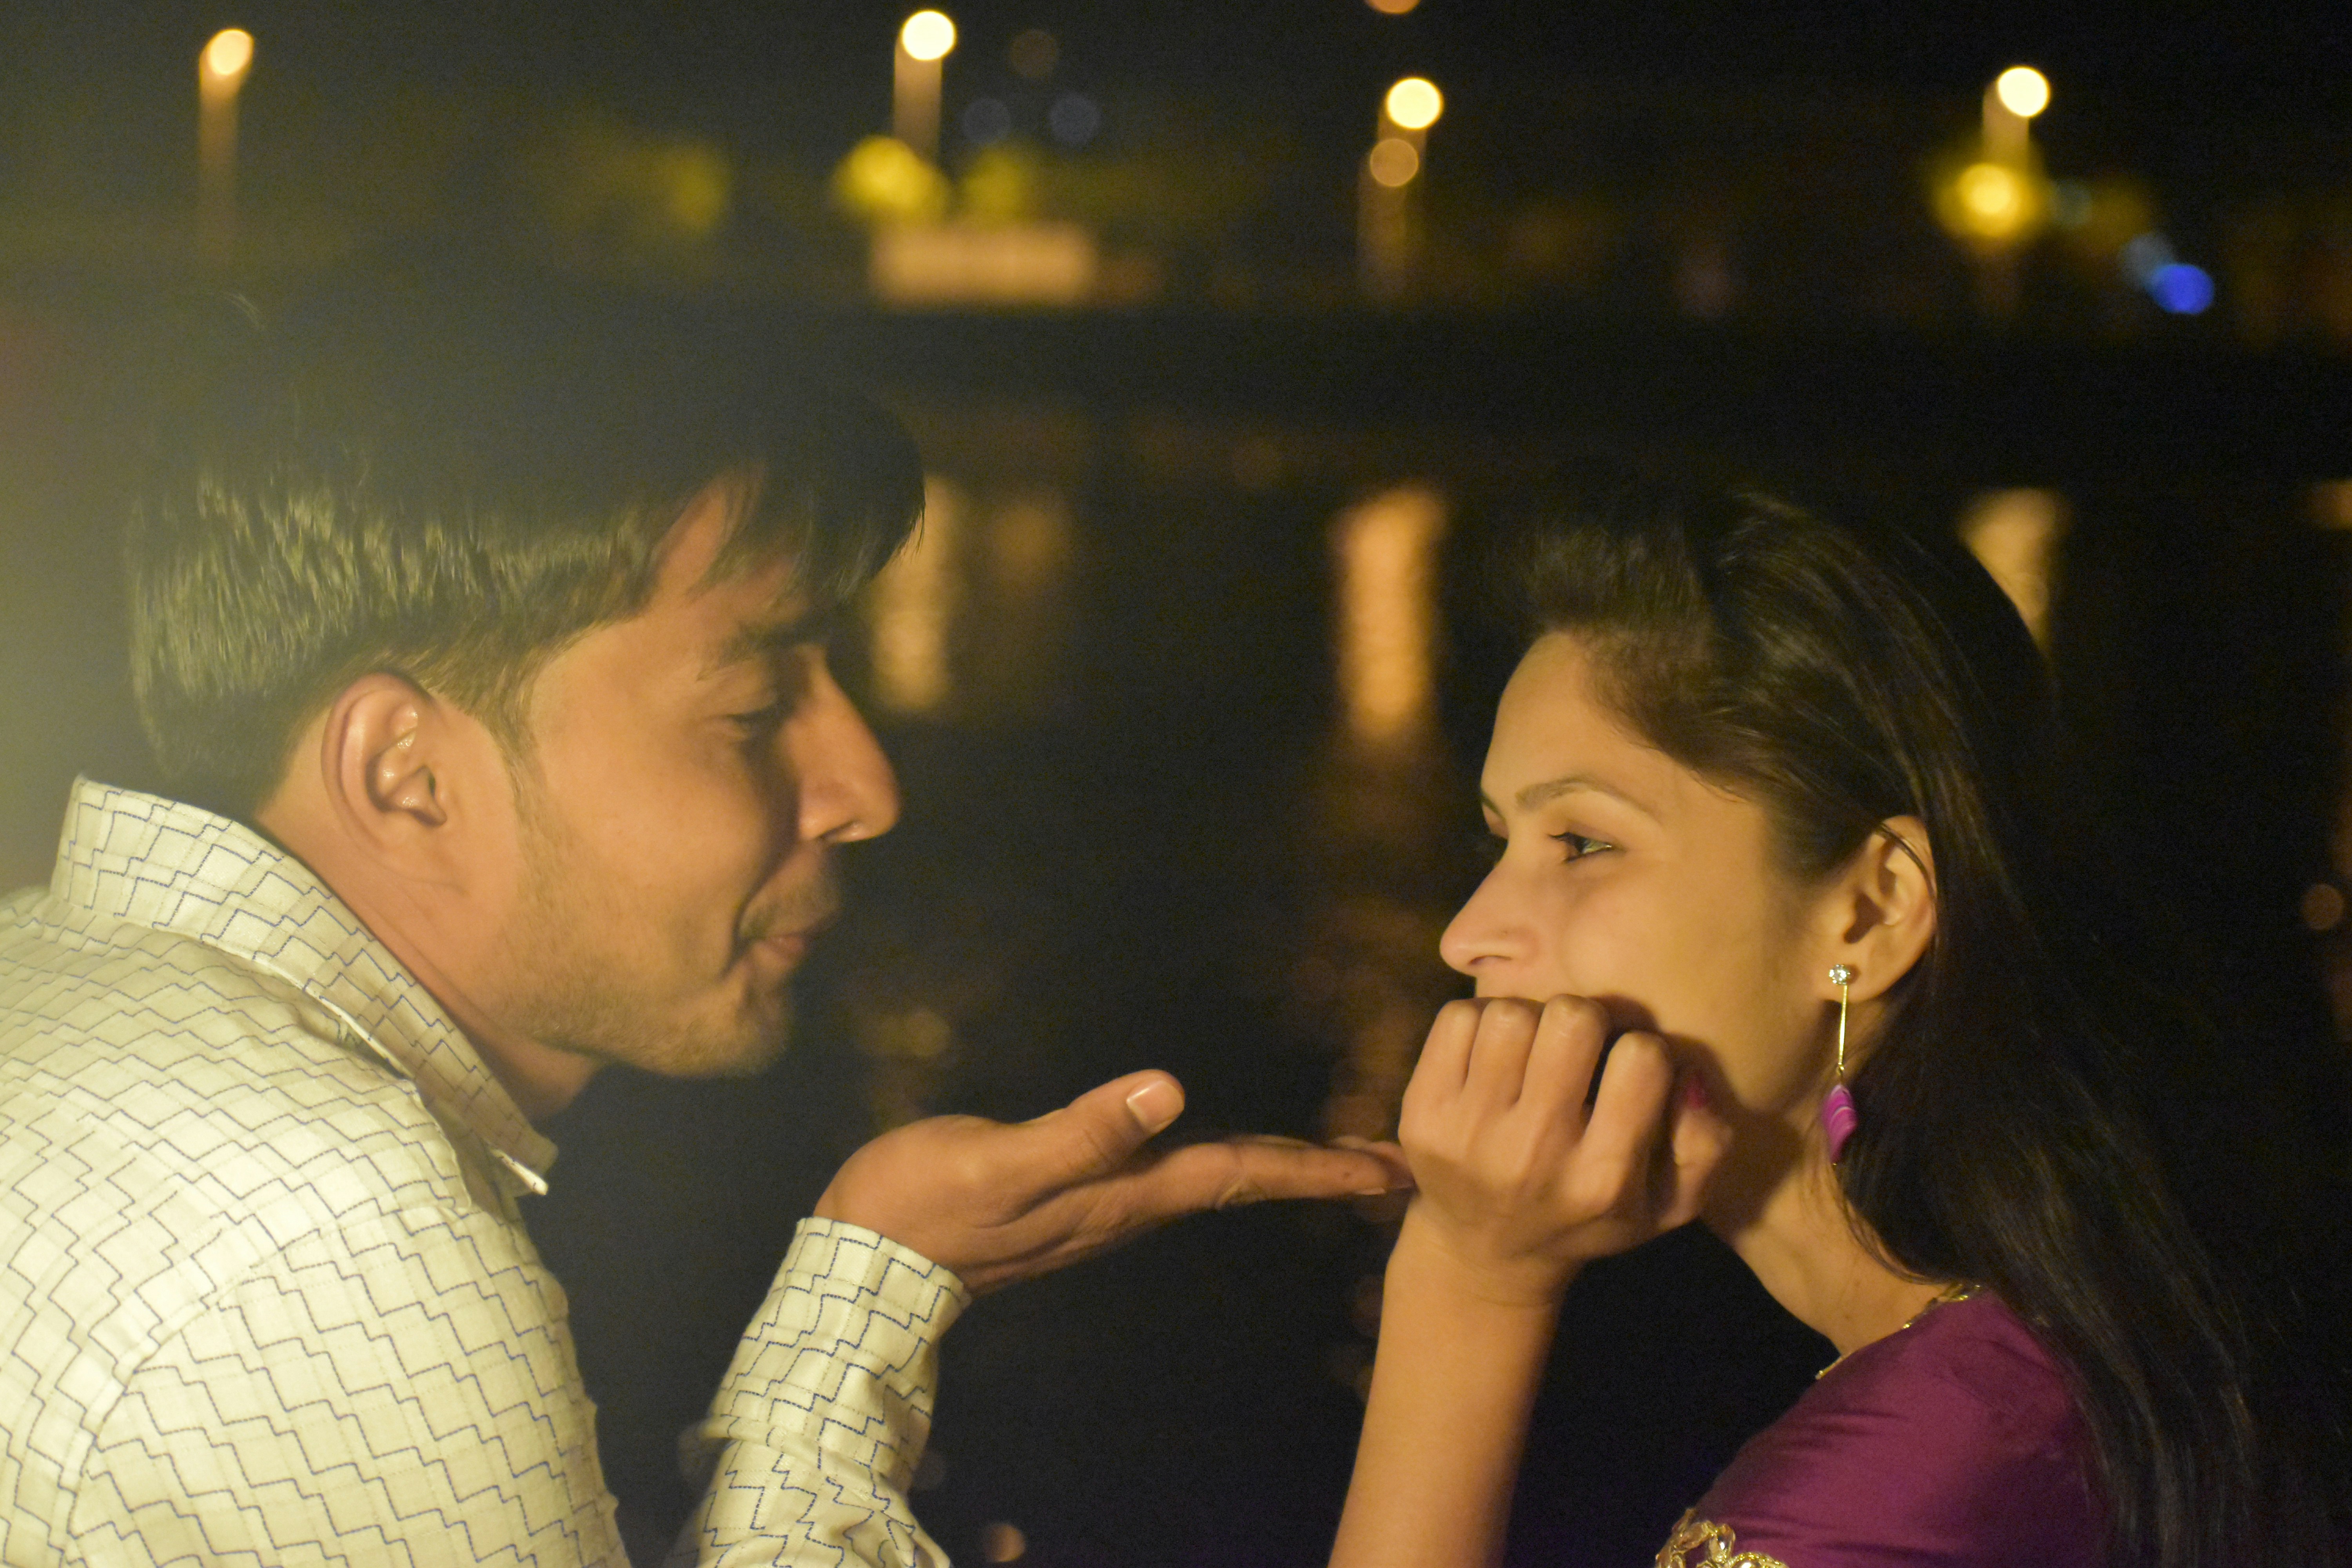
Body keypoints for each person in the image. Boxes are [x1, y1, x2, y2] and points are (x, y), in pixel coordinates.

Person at [0, 288, 1406, 1566]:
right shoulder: (331, 1241)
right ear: (406, 775)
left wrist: (880, 1280)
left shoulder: (55, 991)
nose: (865, 791)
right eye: (748, 712)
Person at [1328, 487, 2352, 1567]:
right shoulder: (2095, 1340)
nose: (1468, 934)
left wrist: (1468, 1284)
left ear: (1870, 912)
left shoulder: (1896, 1491)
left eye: (1582, 843)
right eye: (1498, 841)